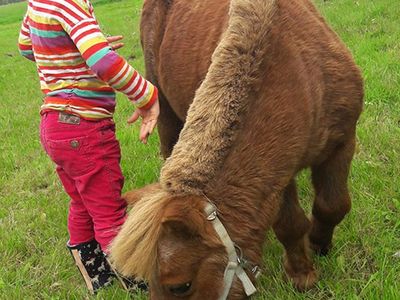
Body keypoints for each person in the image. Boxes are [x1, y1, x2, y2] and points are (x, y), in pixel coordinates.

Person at [18, 0, 159, 294]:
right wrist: (146, 96)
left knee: (82, 201)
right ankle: (135, 279)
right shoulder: (69, 3)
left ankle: (95, 275)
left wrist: (78, 48)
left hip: (54, 124)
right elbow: (103, 62)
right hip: (83, 127)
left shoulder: (37, 5)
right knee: (108, 209)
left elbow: (26, 47)